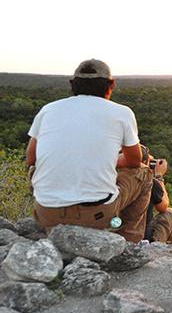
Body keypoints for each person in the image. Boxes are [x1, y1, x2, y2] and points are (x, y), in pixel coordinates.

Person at [26, 59, 153, 243]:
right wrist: (112, 160)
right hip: (96, 216)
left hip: (47, 213)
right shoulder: (122, 113)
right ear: (111, 85)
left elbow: (31, 158)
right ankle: (127, 243)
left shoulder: (48, 110)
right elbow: (135, 160)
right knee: (144, 173)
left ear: (73, 84)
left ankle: (53, 229)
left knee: (35, 169)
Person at [140, 145, 172, 246]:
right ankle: (171, 250)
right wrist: (159, 177)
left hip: (122, 234)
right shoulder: (151, 183)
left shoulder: (119, 179)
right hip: (147, 241)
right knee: (170, 213)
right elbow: (163, 207)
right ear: (144, 163)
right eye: (150, 161)